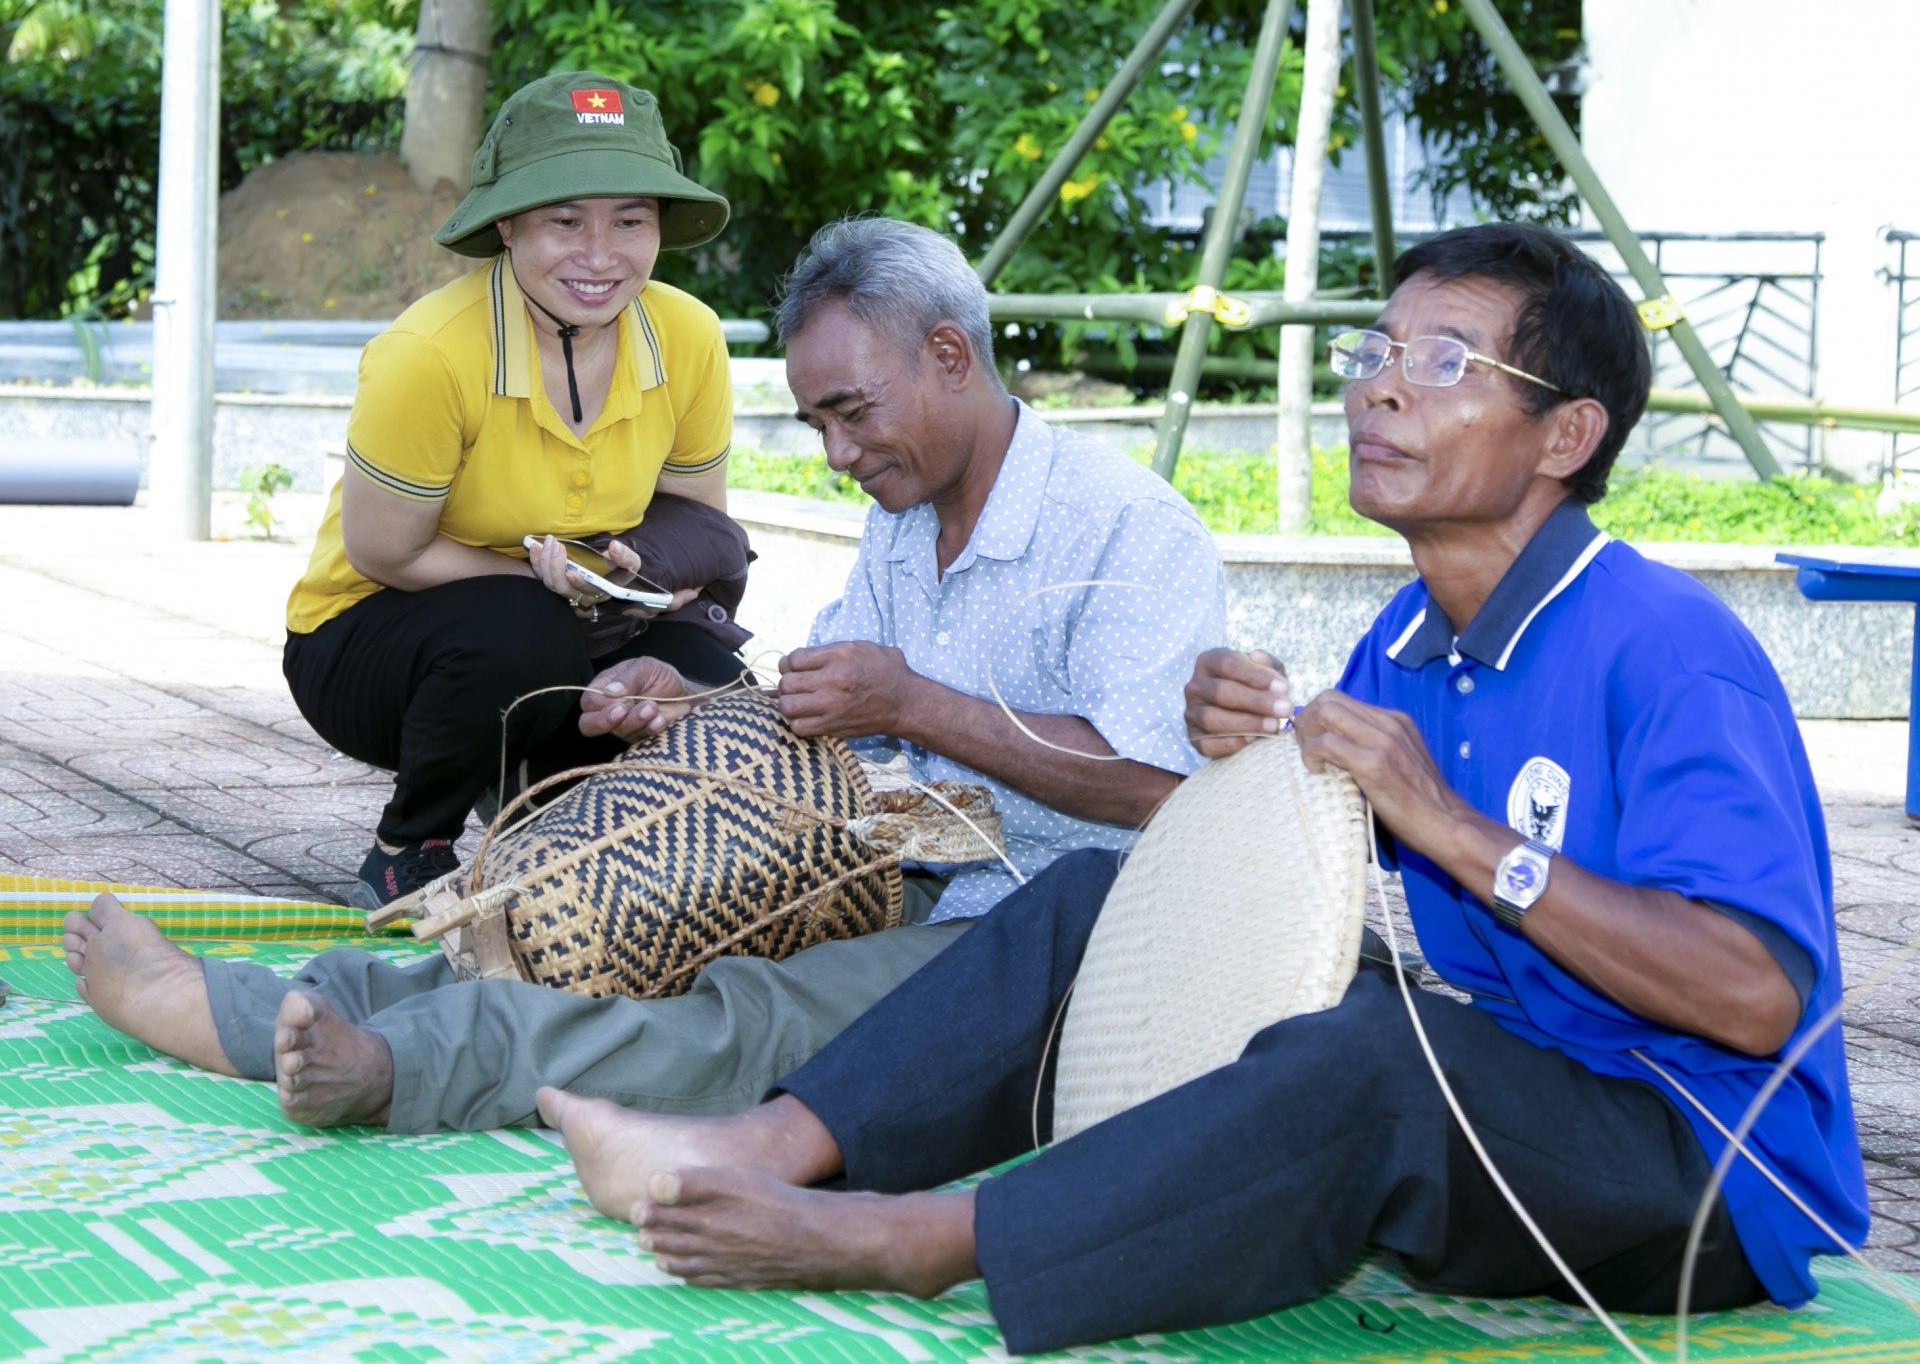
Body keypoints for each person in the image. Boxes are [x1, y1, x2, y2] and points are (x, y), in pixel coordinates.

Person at [533, 223, 1868, 1356]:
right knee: (1092, 897)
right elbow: (1300, 859)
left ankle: (925, 1239)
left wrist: (1451, 828)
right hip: (1512, 1088)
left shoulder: (1670, 650)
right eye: (1374, 352)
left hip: (1704, 1176)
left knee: (1381, 1056)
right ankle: (772, 1144)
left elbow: (1756, 999)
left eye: (1443, 364)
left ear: (1565, 432)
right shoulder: (1403, 641)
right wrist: (1258, 760)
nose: (1378, 393)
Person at [61, 218, 1226, 1137]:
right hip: (878, 865)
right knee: (585, 929)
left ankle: (396, 1073)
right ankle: (263, 1007)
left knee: (739, 1018)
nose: (837, 454)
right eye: (816, 422)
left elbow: (1157, 791)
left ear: (949, 355)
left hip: (1037, 925)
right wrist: (695, 710)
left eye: (852, 414)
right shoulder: (906, 521)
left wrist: (914, 703)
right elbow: (840, 717)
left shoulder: (1127, 531)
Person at [282, 71, 745, 912]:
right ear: (507, 223)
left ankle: (540, 791)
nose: (601, 255)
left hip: (590, 620)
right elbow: (385, 550)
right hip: (372, 644)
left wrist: (644, 584)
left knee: (721, 697)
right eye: (565, 220)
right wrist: (548, 592)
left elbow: (695, 523)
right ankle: (407, 850)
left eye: (630, 221)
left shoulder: (689, 335)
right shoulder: (427, 352)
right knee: (520, 633)